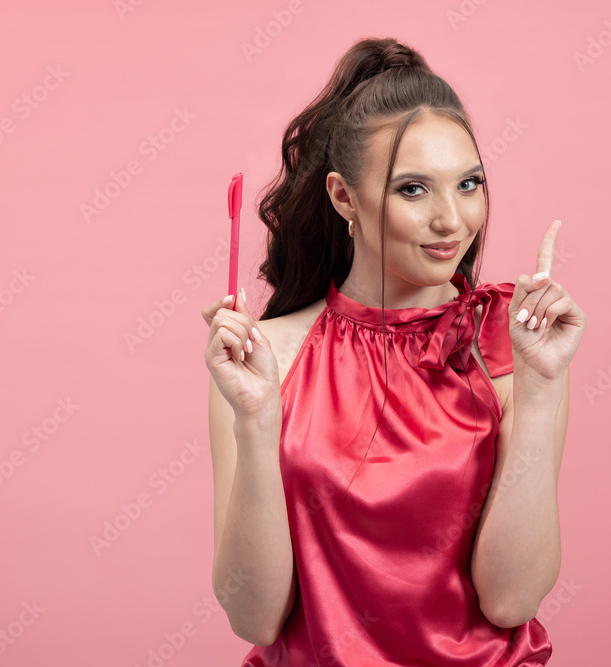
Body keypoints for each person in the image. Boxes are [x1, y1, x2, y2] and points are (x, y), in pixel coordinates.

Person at [201, 36, 586, 666]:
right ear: (343, 198)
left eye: (469, 184)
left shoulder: (512, 348)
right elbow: (255, 614)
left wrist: (542, 390)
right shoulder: (263, 359)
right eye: (413, 190)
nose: (452, 220)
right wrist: (256, 420)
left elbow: (510, 600)